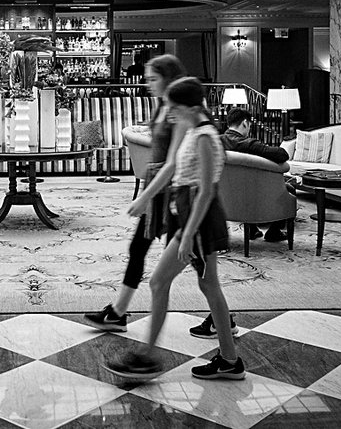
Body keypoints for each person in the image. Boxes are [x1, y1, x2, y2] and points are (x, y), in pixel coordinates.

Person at [104, 77, 244, 381]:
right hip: (192, 219)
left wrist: (188, 234)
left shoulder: (205, 136)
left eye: (174, 108)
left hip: (199, 221)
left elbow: (205, 191)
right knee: (209, 287)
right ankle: (230, 360)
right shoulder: (196, 131)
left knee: (159, 282)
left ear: (192, 107)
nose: (169, 114)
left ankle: (148, 357)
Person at [83, 54, 187, 332]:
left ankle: (222, 321)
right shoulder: (163, 106)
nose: (148, 84)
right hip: (160, 190)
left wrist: (144, 196)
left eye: (153, 79)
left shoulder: (178, 110)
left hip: (175, 192)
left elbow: (174, 161)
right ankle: (118, 312)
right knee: (138, 248)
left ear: (169, 79)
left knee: (195, 262)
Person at [219, 108, 290, 244]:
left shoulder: (216, 142)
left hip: (225, 194)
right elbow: (282, 154)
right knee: (288, 189)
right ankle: (274, 232)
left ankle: (252, 229)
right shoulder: (248, 144)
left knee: (244, 182)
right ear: (245, 123)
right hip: (253, 195)